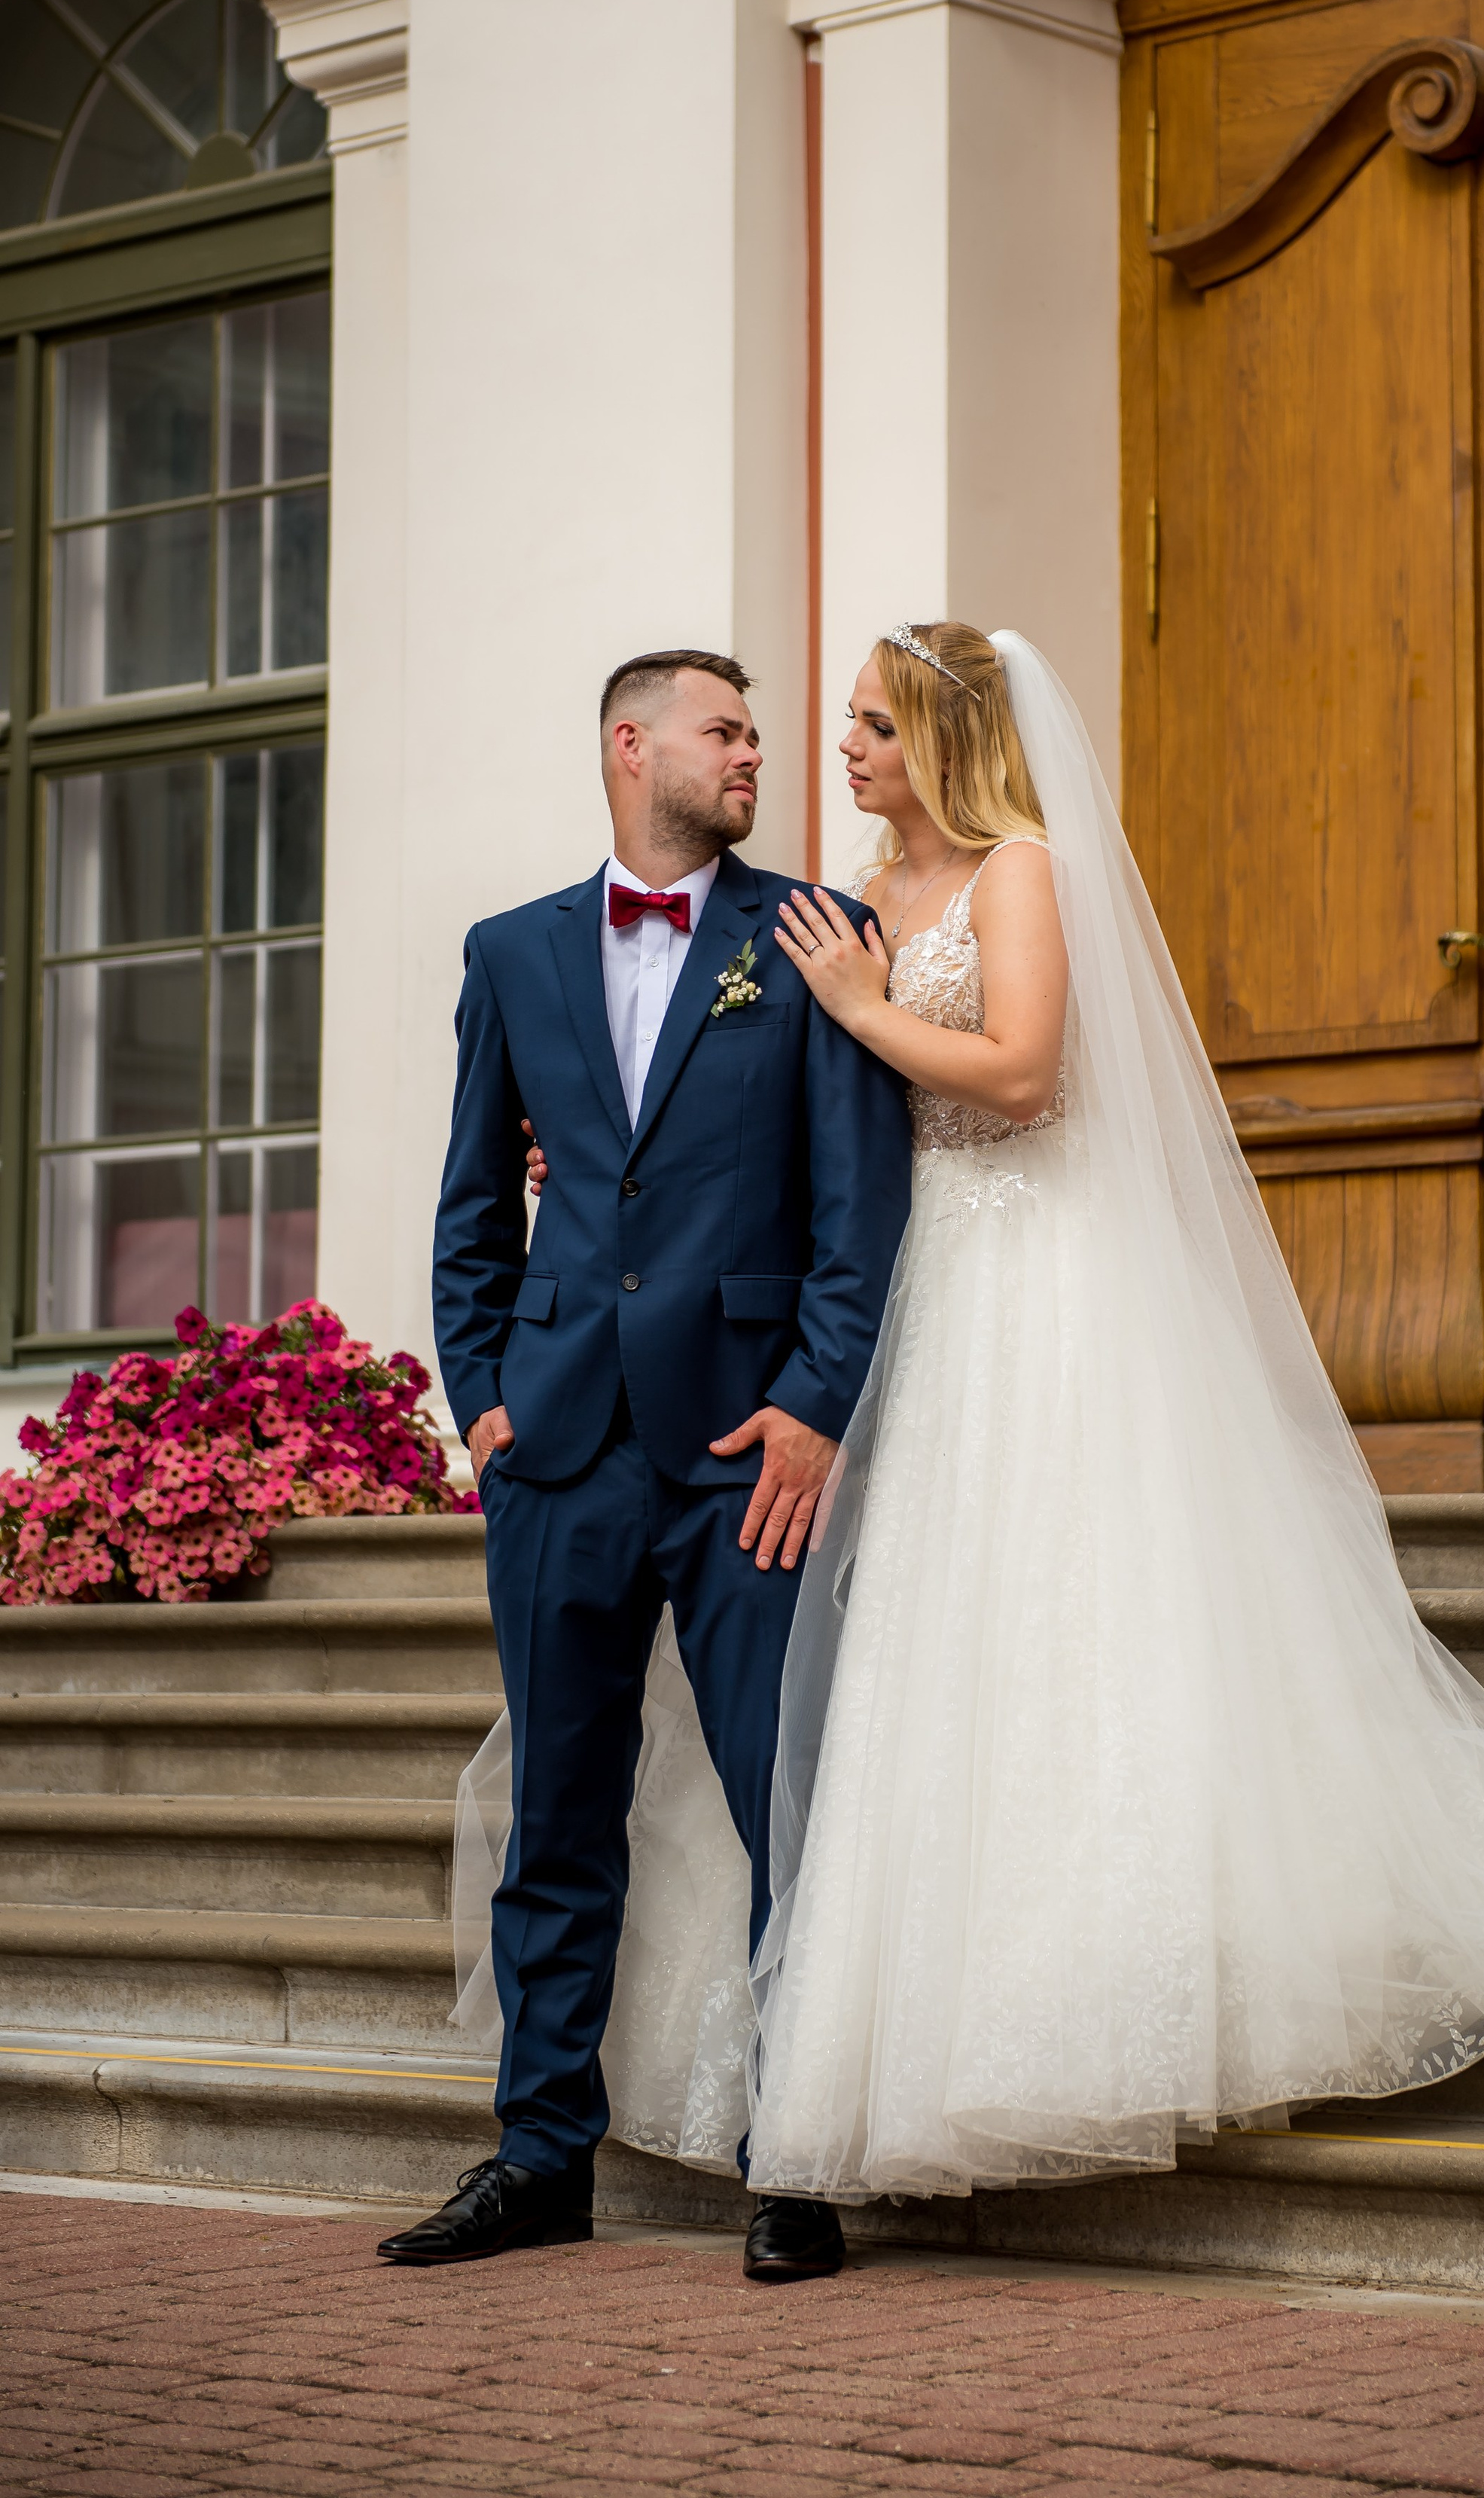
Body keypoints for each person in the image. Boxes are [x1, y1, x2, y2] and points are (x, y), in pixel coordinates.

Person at [503, 622, 1484, 2247]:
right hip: (897, 1293)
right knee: (896, 1669)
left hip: (1028, 1273)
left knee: (1063, 1618)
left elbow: (1026, 1071)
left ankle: (1068, 2006)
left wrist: (857, 1006)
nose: (832, 746)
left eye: (866, 722)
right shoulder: (843, 899)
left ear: (939, 734)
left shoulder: (1010, 875)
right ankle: (840, 2057)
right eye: (822, 723)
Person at [390, 650, 909, 2283]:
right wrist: (478, 1394)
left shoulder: (809, 935)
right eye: (726, 729)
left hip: (746, 1447)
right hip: (555, 1449)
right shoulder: (513, 953)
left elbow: (858, 1203)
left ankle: (795, 2156)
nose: (756, 751)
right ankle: (539, 2154)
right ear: (632, 748)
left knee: (784, 1804)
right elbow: (473, 1198)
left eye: (758, 732)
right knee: (557, 1815)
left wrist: (819, 1401)